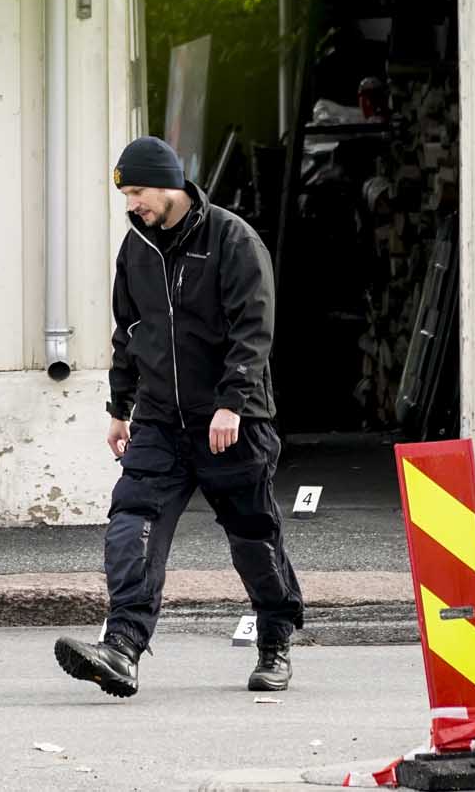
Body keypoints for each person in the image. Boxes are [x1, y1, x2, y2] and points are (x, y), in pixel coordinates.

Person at [53, 136, 305, 698]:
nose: (131, 204)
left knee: (253, 537)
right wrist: (120, 408)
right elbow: (130, 330)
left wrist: (231, 402)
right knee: (131, 522)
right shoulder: (136, 246)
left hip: (230, 424)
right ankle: (121, 648)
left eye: (138, 192)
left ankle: (275, 643)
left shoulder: (233, 240)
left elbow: (252, 330)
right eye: (126, 195)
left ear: (168, 185)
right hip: (161, 422)